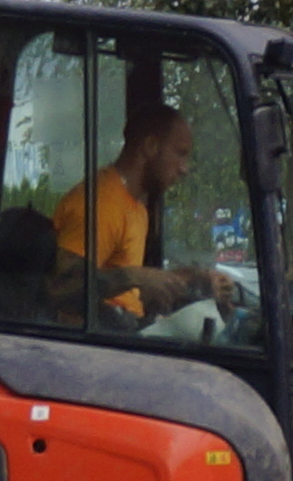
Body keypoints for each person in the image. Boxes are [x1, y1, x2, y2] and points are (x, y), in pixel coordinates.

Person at [50, 92, 211, 323]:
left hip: (128, 327)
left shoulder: (136, 207)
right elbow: (63, 291)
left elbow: (126, 288)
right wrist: (135, 276)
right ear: (151, 146)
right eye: (180, 153)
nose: (184, 168)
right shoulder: (101, 204)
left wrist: (187, 280)